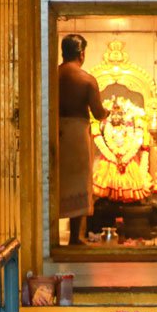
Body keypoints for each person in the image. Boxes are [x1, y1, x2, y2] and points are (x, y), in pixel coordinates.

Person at [55, 33, 108, 245]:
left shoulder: (53, 75)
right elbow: (98, 113)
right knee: (78, 183)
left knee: (56, 181)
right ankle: (75, 237)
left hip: (54, 131)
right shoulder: (86, 79)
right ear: (82, 53)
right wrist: (107, 113)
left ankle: (51, 237)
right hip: (76, 133)